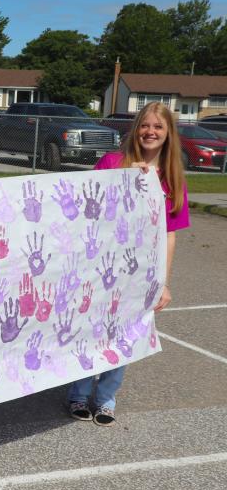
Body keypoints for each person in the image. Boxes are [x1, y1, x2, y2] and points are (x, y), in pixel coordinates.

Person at [67, 102, 188, 427]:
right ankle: (78, 392)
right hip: (100, 265)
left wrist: (163, 281)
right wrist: (124, 178)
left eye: (158, 128)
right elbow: (86, 207)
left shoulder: (172, 178)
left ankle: (105, 397)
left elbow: (170, 235)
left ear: (167, 134)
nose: (150, 132)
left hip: (137, 274)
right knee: (90, 330)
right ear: (136, 129)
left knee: (125, 334)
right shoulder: (112, 162)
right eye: (145, 126)